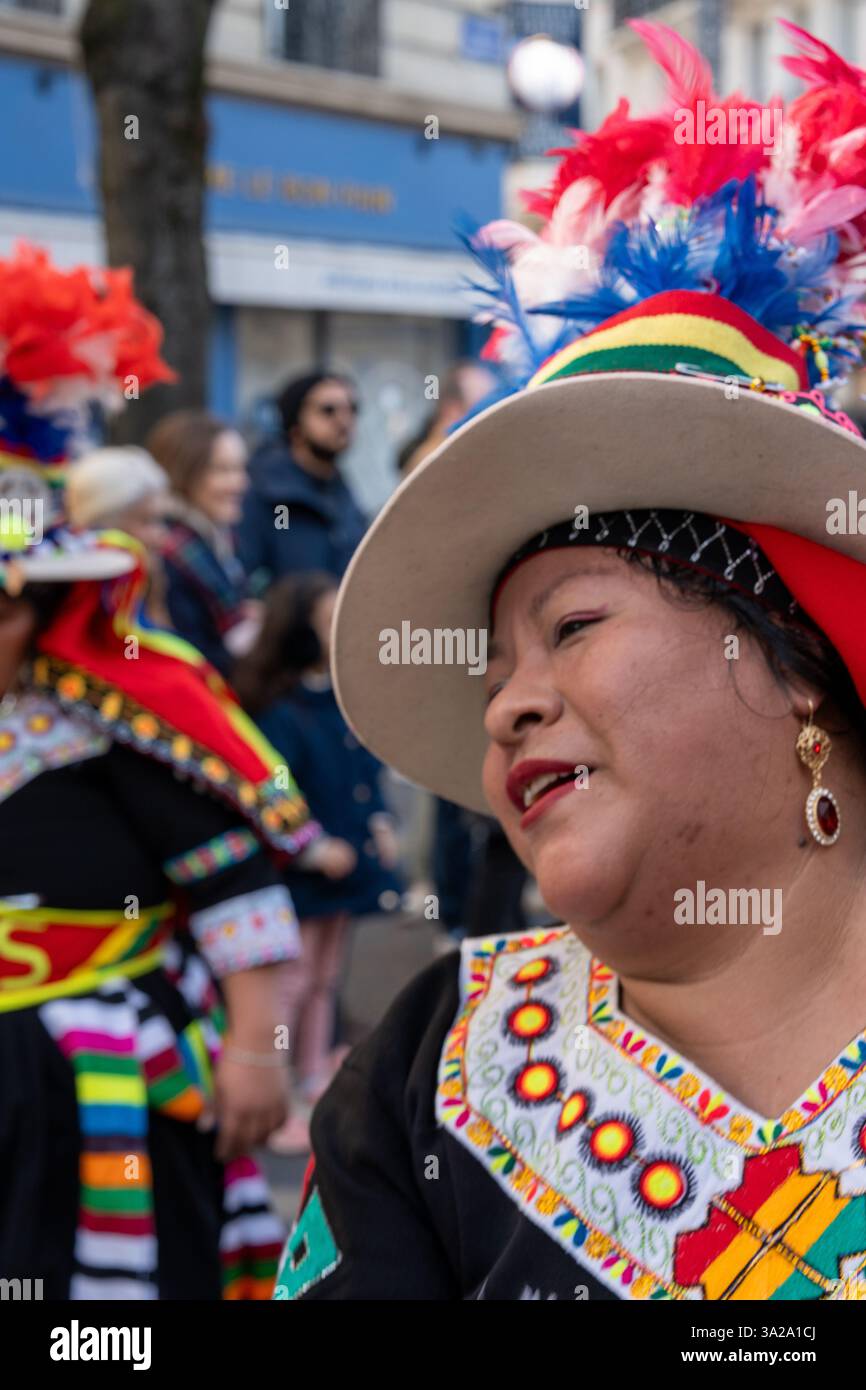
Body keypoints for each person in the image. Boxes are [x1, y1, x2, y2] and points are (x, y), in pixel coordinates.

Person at [273, 19, 866, 1301]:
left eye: (574, 627)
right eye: (489, 677)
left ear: (801, 665)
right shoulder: (423, 1072)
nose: (509, 706)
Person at [0, 243, 319, 1300]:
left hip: (105, 1075)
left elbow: (234, 877)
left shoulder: (123, 716)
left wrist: (257, 1052)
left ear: (43, 605)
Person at [234, 572, 403, 1153]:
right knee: (294, 980)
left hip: (343, 869)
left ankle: (311, 1077)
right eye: (329, 622)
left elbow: (364, 770)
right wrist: (307, 845)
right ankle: (277, 1087)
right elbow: (271, 789)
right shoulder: (279, 712)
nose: (340, 632)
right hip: (302, 875)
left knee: (325, 977)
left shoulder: (338, 699)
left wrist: (379, 821)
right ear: (299, 630)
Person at [146, 411, 257, 676]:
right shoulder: (170, 554)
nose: (240, 483)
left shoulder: (218, 540)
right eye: (222, 470)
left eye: (241, 469)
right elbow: (194, 658)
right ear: (182, 473)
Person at [237, 371, 367, 588]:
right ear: (295, 426)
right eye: (328, 410)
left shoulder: (343, 491)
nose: (344, 420)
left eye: (352, 409)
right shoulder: (262, 492)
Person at [65, 446, 171, 626]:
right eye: (147, 521)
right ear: (102, 526)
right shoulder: (79, 604)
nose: (162, 537)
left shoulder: (153, 581)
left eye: (160, 521)